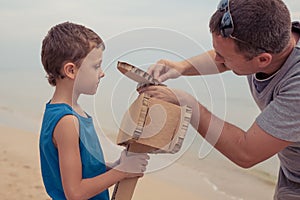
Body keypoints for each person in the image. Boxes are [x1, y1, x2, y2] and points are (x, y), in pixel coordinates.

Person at [139, 0, 300, 199]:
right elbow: (228, 60)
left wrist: (187, 103)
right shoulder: (275, 36)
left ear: (263, 60)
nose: (218, 60)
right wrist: (180, 67)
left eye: (223, 56)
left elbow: (246, 152)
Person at [39, 22, 149, 200]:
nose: (102, 73)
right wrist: (121, 172)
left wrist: (114, 166)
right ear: (71, 70)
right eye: (96, 66)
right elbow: (75, 193)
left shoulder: (71, 112)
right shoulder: (67, 121)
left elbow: (83, 168)